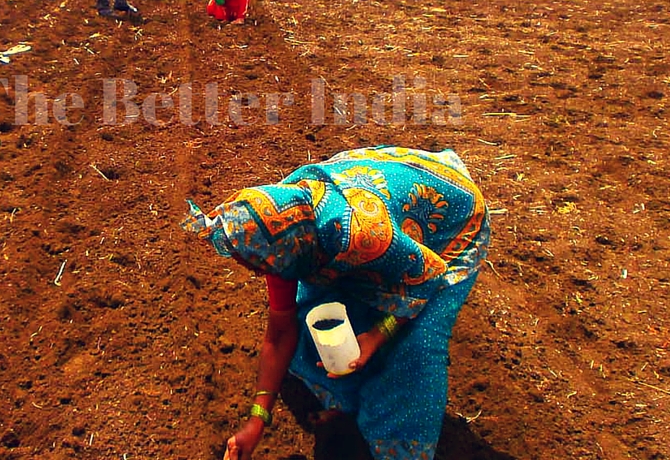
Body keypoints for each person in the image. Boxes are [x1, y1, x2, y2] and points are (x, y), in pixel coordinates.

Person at [181, 146, 491, 460]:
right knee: (314, 315)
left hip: (452, 224)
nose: (252, 270)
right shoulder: (282, 232)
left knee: (416, 347)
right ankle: (351, 403)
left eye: (254, 264)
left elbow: (426, 278)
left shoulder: (363, 235)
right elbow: (280, 331)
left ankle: (397, 446)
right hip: (385, 206)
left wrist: (377, 335)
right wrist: (257, 421)